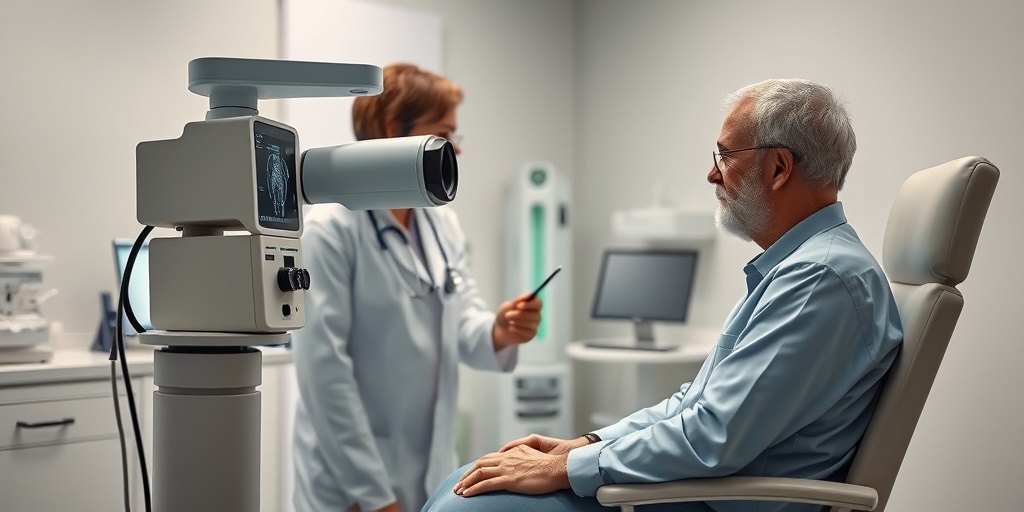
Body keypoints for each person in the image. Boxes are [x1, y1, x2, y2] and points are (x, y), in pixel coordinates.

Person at [421, 78, 904, 512]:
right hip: (700, 488)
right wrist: (583, 445)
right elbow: (694, 404)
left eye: (725, 156)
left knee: (467, 506)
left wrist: (566, 468)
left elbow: (712, 436)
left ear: (779, 168)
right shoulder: (798, 268)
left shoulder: (818, 277)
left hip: (712, 499)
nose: (712, 175)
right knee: (466, 482)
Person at [291, 63, 543, 512]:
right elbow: (324, 374)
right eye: (444, 134)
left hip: (428, 468)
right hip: (350, 482)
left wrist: (500, 330)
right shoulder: (331, 227)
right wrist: (373, 496)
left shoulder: (440, 222)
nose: (455, 150)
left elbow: (460, 319)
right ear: (394, 130)